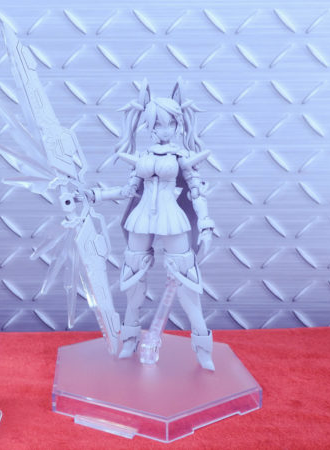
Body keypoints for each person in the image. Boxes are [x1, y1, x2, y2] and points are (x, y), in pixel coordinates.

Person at [86, 80, 216, 370]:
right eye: (157, 124)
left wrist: (206, 224)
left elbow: (197, 191)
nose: (164, 130)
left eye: (170, 124)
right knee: (133, 277)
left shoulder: (182, 156)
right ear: (149, 126)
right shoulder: (143, 157)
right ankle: (130, 338)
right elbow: (126, 191)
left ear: (178, 125)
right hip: (142, 217)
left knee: (186, 279)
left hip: (172, 218)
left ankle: (202, 345)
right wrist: (94, 195)